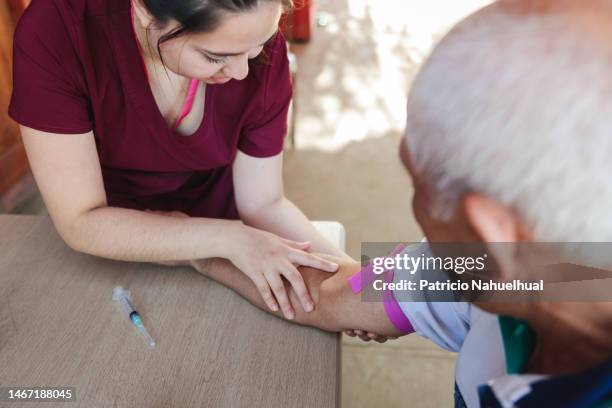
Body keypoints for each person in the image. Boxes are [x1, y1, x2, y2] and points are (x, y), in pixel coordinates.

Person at [161, 0, 612, 406]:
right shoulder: (489, 268)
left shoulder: (476, 265)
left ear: (493, 234)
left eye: (418, 184)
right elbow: (331, 294)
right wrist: (204, 252)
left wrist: (200, 249)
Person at [9, 0, 350, 321]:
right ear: (143, 9)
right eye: (216, 56)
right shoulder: (59, 32)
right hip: (114, 249)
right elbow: (81, 221)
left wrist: (359, 275)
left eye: (258, 46)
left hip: (228, 234)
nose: (243, 72)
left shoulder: (252, 37)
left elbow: (264, 202)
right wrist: (225, 240)